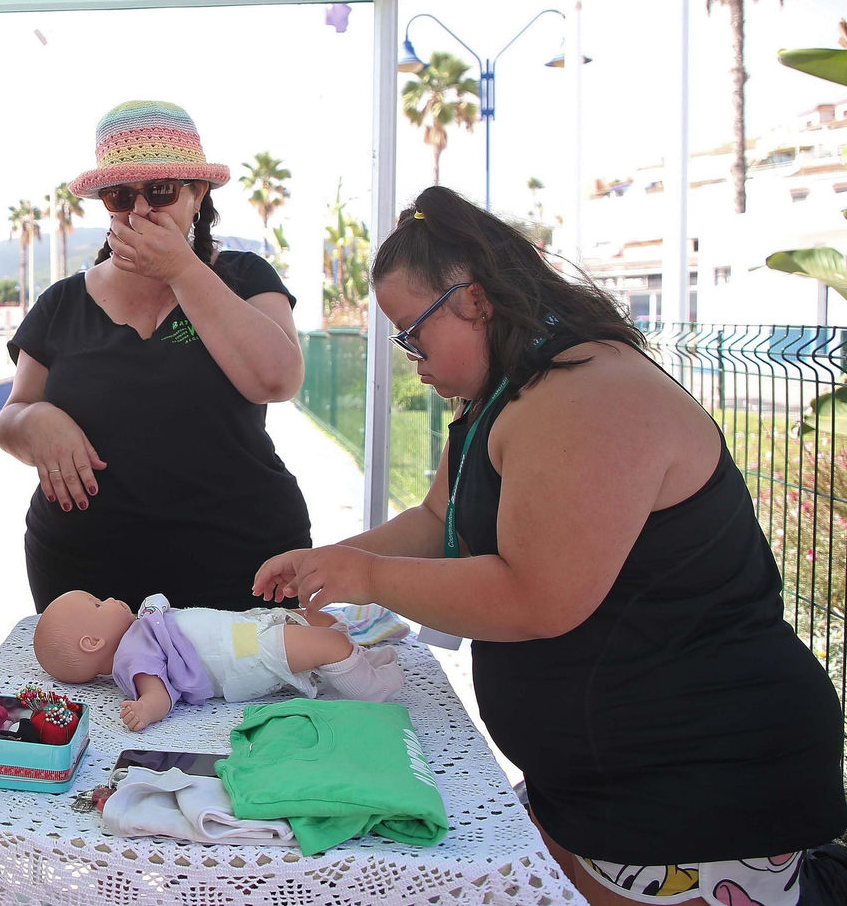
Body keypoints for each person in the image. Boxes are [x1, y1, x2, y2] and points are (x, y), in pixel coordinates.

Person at [254, 186, 847, 906]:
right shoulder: (504, 393)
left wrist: (371, 575)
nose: (412, 357)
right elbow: (439, 516)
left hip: (694, 783)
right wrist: (328, 565)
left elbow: (536, 596)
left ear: (471, 300)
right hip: (602, 777)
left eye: (413, 333)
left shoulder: (590, 395)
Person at [0, 100, 310, 613]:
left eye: (160, 191)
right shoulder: (62, 303)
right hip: (86, 574)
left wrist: (181, 270)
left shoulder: (244, 277)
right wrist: (37, 420)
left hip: (239, 563)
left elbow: (277, 379)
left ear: (197, 194)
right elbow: (10, 418)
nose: (140, 210)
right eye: (120, 194)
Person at [33, 590, 403, 732]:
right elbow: (157, 692)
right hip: (242, 656)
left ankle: (358, 659)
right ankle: (373, 689)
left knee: (313, 620)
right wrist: (145, 709)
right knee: (326, 643)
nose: (110, 598)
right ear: (92, 641)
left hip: (244, 632)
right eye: (98, 604)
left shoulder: (139, 629)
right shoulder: (131, 656)